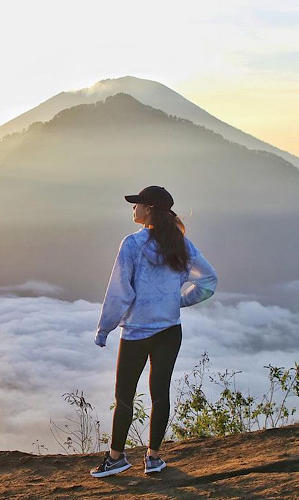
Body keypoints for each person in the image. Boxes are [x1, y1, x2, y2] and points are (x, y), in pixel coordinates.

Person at [90, 185, 218, 478]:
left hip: (136, 331)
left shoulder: (132, 245)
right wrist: (179, 301)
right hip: (170, 330)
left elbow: (119, 293)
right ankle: (153, 458)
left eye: (136, 204)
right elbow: (209, 280)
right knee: (160, 393)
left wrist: (103, 329)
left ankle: (116, 457)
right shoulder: (181, 244)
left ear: (148, 209)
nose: (133, 209)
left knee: (124, 395)